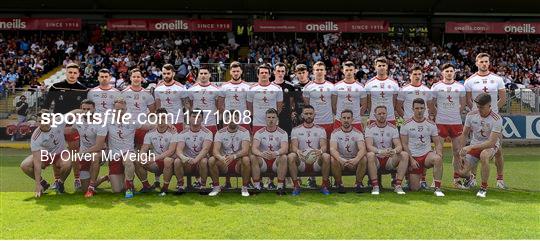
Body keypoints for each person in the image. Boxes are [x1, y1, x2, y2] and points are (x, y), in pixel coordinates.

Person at [464, 53, 507, 189]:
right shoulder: (470, 80)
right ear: (476, 63)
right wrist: (478, 112)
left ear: (489, 63)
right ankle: (473, 178)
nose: (484, 64)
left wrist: (492, 110)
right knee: (476, 147)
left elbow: (503, 99)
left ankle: (500, 180)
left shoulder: (497, 79)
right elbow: (468, 100)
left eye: (486, 61)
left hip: (493, 121)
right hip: (477, 119)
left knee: (498, 150)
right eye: (481, 61)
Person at [42, 63, 88, 190]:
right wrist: (44, 122)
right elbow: (45, 106)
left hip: (74, 126)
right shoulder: (55, 87)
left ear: (78, 74)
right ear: (66, 73)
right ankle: (57, 181)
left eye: (75, 73)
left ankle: (77, 179)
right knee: (55, 153)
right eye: (70, 72)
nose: (72, 75)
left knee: (74, 154)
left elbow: (84, 110)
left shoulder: (83, 89)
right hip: (57, 126)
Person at [20, 109, 80, 197]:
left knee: (68, 163)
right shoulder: (35, 137)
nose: (42, 123)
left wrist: (85, 112)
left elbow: (74, 112)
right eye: (39, 121)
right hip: (45, 156)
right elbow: (37, 162)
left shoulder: (58, 121)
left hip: (60, 153)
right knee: (24, 165)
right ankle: (43, 183)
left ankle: (60, 183)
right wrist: (37, 184)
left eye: (45, 120)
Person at [458, 93, 503, 198]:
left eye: (482, 107)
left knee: (484, 155)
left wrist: (470, 147)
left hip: (489, 147)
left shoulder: (496, 119)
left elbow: (491, 142)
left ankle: (483, 188)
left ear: (489, 106)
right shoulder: (471, 115)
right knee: (460, 172)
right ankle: (470, 178)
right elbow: (464, 134)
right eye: (478, 107)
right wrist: (461, 151)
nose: (479, 110)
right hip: (474, 145)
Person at [430, 63, 466, 188]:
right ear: (442, 73)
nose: (449, 73)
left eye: (451, 71)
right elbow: (431, 103)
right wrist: (437, 114)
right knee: (438, 152)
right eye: (447, 71)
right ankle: (436, 180)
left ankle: (456, 180)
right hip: (441, 122)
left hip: (456, 123)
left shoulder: (460, 87)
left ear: (454, 73)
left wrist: (455, 114)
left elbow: (463, 103)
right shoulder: (436, 86)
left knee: (457, 152)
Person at [400, 98, 445, 197]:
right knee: (414, 189)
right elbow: (404, 144)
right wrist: (411, 160)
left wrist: (439, 153)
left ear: (425, 109)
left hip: (426, 155)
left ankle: (437, 188)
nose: (419, 110)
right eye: (417, 108)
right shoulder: (406, 124)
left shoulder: (431, 124)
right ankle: (410, 179)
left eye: (421, 108)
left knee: (437, 159)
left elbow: (437, 143)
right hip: (414, 157)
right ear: (412, 109)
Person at [330, 109, 377, 194]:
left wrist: (356, 159)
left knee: (363, 159)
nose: (346, 120)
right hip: (341, 161)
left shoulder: (357, 133)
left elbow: (362, 149)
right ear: (340, 120)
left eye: (348, 118)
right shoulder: (335, 133)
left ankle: (358, 184)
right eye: (344, 118)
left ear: (352, 120)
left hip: (354, 161)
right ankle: (339, 184)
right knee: (333, 159)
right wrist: (341, 159)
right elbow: (332, 149)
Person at [287, 105, 331, 195]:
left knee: (326, 156)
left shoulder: (321, 130)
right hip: (301, 161)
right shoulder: (296, 130)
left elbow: (324, 146)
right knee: (291, 156)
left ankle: (324, 186)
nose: (309, 116)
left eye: (311, 113)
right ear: (302, 115)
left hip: (316, 161)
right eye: (306, 114)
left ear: (315, 114)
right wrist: (298, 151)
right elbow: (294, 147)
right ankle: (296, 186)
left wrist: (320, 151)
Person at [365, 106, 409, 195]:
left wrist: (394, 151)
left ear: (387, 114)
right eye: (379, 114)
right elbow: (369, 146)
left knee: (404, 154)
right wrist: (380, 151)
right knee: (370, 155)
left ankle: (398, 185)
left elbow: (399, 146)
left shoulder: (393, 128)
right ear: (375, 115)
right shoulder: (369, 128)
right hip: (376, 159)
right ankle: (375, 186)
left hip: (389, 159)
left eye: (384, 113)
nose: (382, 115)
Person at [136, 108, 177, 196]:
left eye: (163, 118)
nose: (161, 120)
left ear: (167, 119)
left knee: (168, 160)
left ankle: (165, 188)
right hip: (156, 163)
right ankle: (146, 186)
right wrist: (142, 155)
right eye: (158, 118)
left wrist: (153, 158)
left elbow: (171, 151)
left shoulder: (173, 133)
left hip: (171, 163)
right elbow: (144, 148)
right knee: (137, 160)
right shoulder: (150, 133)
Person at [208, 120, 251, 197]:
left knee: (246, 159)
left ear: (238, 120)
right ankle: (216, 187)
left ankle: (244, 187)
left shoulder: (245, 131)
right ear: (226, 120)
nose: (232, 120)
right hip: (224, 161)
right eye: (230, 118)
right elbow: (215, 151)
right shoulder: (220, 132)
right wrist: (221, 158)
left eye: (235, 118)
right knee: (211, 160)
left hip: (238, 161)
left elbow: (245, 150)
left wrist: (234, 156)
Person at [250, 108, 289, 195]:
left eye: (273, 117)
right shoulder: (259, 133)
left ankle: (280, 187)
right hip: (263, 160)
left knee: (284, 157)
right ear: (265, 119)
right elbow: (254, 148)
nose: (271, 120)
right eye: (269, 117)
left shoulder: (283, 133)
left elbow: (285, 148)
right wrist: (261, 154)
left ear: (277, 119)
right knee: (253, 157)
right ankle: (257, 187)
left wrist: (276, 153)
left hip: (276, 161)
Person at [174, 109, 213, 194]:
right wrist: (184, 158)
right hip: (187, 162)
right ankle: (180, 186)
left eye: (199, 117)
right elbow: (178, 150)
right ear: (189, 119)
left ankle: (202, 186)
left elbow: (205, 150)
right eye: (194, 116)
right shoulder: (182, 133)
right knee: (177, 161)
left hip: (200, 162)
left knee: (203, 161)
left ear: (202, 119)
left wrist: (195, 160)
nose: (196, 119)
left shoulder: (208, 133)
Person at [247, 64, 283, 134]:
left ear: (269, 75)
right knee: (257, 144)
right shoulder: (251, 89)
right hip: (257, 123)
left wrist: (272, 117)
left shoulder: (277, 88)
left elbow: (279, 107)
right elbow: (249, 107)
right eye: (261, 73)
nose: (264, 74)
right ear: (258, 75)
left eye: (266, 73)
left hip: (273, 123)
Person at [154, 64, 191, 133]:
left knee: (178, 142)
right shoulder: (158, 88)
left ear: (173, 74)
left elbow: (187, 106)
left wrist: (188, 122)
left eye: (168, 73)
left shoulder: (181, 88)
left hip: (178, 121)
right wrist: (157, 122)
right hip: (164, 122)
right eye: (164, 73)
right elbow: (158, 108)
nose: (166, 76)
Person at [187, 66, 221, 135]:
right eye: (201, 73)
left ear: (209, 75)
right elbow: (190, 107)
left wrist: (218, 120)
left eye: (205, 73)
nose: (203, 75)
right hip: (196, 124)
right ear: (198, 75)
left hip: (211, 124)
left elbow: (219, 107)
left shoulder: (216, 90)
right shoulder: (191, 89)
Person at [333, 61, 367, 132]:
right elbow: (333, 105)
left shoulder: (360, 87)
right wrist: (340, 116)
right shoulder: (336, 86)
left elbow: (364, 105)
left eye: (351, 70)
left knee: (357, 142)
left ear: (354, 71)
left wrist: (357, 116)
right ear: (343, 71)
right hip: (339, 121)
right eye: (347, 70)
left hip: (355, 121)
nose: (349, 72)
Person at [365, 57, 399, 125]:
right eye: (379, 65)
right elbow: (368, 103)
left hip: (390, 118)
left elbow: (394, 102)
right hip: (374, 118)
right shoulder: (369, 84)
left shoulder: (394, 83)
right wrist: (372, 114)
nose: (381, 67)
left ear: (386, 67)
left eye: (383, 65)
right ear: (375, 67)